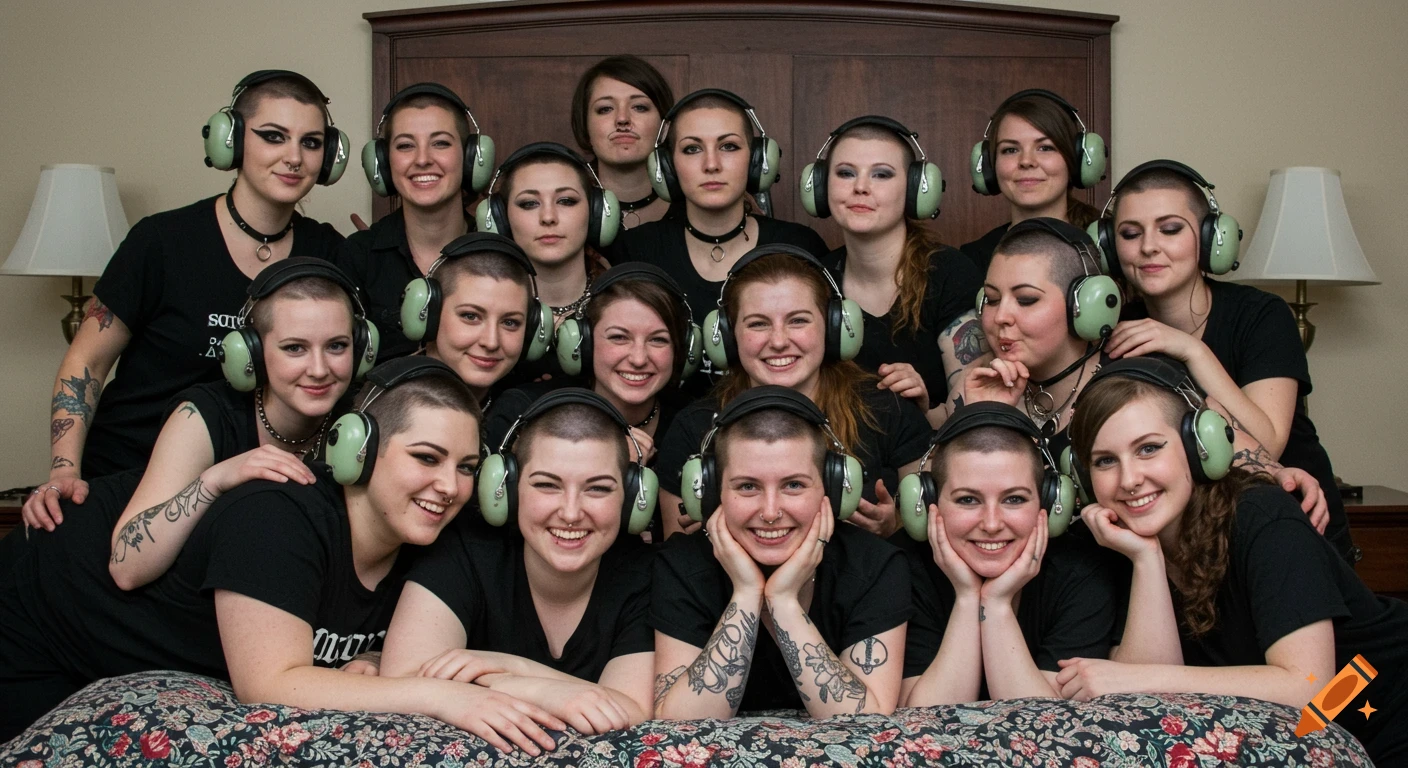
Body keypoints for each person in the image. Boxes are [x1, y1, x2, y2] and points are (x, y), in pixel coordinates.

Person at [0, 359, 567, 752]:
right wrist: (443, 700)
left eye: (467, 468)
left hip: (117, 654)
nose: (448, 485)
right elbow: (268, 682)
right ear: (359, 451)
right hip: (37, 614)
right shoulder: (278, 514)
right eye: (426, 457)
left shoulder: (431, 543)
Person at [31, 70, 346, 522]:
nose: (294, 157)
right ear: (231, 142)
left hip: (241, 492)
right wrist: (64, 469)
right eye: (273, 137)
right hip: (126, 477)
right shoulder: (161, 241)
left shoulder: (328, 253)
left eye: (311, 143)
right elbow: (88, 361)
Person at [1059, 357, 1406, 765]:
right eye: (1105, 461)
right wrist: (1146, 558)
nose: (1129, 479)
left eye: (1149, 448)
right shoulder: (1113, 543)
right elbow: (1144, 709)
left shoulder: (1263, 516)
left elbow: (1309, 686)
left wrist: (1136, 677)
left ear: (1198, 446)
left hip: (1387, 707)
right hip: (1311, 737)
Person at [965, 218, 1329, 528]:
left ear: (1085, 306)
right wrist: (990, 417)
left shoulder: (1146, 380)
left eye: (1026, 299)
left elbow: (1254, 464)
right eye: (992, 300)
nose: (1000, 318)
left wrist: (1279, 477)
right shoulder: (989, 388)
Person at [1096, 159, 1355, 563]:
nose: (1148, 246)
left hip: (1288, 524)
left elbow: (1268, 440)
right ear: (1111, 248)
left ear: (1211, 238)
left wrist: (1189, 349)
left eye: (1170, 229)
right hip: (1198, 545)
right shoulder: (1116, 331)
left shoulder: (1262, 315)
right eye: (1130, 234)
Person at [381, 389, 656, 738]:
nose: (571, 513)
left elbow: (631, 711)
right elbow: (402, 681)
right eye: (546, 485)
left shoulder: (646, 572)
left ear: (632, 498)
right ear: (506, 489)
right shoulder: (464, 549)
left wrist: (514, 671)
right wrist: (547, 690)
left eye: (598, 489)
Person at [97, 259, 373, 590]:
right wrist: (216, 480)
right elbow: (126, 568)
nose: (318, 369)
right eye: (294, 348)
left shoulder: (363, 419)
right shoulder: (200, 417)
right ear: (251, 353)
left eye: (337, 346)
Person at [652, 386, 910, 718]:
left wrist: (783, 600)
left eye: (793, 485)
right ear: (713, 491)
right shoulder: (679, 566)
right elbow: (680, 725)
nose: (771, 511)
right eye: (747, 486)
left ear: (831, 488)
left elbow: (864, 723)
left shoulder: (877, 567)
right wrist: (746, 593)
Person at [654, 247, 932, 540]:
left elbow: (931, 536)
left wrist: (895, 527)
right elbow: (678, 561)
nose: (778, 341)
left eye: (798, 320)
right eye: (758, 323)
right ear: (727, 336)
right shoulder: (692, 429)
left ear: (834, 326)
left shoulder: (887, 408)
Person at [893, 402, 1115, 704]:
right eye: (968, 500)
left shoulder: (1081, 572)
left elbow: (1045, 728)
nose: (992, 524)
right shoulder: (898, 568)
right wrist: (968, 597)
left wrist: (996, 603)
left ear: (1049, 504)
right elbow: (927, 725)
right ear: (928, 501)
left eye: (1014, 499)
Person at [610, 88, 827, 385]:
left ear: (757, 162)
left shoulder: (799, 246)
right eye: (692, 149)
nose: (711, 164)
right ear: (667, 168)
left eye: (728, 146)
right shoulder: (635, 251)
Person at [485, 264, 700, 537]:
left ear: (680, 350)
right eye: (619, 337)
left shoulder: (694, 426)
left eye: (658, 340)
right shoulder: (523, 412)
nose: (638, 358)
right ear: (582, 344)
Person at [806, 116, 985, 427]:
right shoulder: (812, 281)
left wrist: (924, 412)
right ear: (820, 185)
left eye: (882, 174)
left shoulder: (950, 272)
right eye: (846, 173)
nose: (860, 187)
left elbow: (972, 407)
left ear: (916, 188)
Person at [335, 82, 490, 360]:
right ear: (382, 162)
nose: (422, 159)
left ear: (471, 158)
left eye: (440, 143)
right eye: (405, 145)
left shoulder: (499, 252)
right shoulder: (358, 256)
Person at [474, 142, 621, 387]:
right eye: (529, 203)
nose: (548, 217)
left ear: (597, 212)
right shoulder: (476, 310)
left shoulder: (623, 305)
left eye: (566, 201)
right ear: (499, 219)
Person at [398, 232, 554, 407]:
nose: (491, 342)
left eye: (510, 322)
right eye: (470, 316)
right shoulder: (386, 407)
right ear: (428, 315)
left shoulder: (526, 408)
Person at [960, 89, 1104, 276]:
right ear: (989, 166)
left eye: (1045, 148)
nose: (1026, 161)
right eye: (1010, 150)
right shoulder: (970, 261)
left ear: (1076, 161)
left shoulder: (1106, 249)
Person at [571, 55, 676, 229]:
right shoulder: (562, 209)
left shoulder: (694, 204)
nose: (622, 119)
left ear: (665, 127)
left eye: (639, 107)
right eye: (605, 109)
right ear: (585, 127)